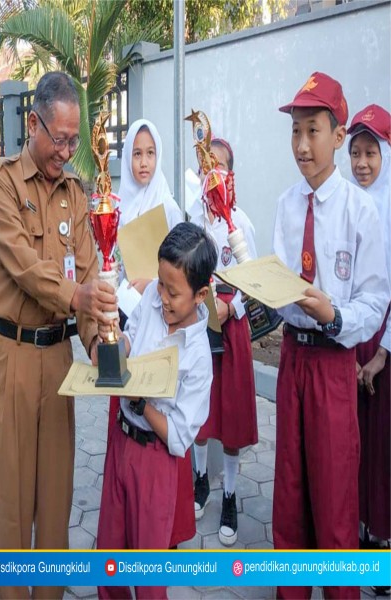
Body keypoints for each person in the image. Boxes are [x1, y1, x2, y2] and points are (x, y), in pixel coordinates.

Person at [0, 71, 116, 600]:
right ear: (33, 123)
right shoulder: (1, 184)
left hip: (58, 360)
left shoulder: (76, 194)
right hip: (11, 359)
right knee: (14, 515)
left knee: (56, 511)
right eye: (59, 139)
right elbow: (24, 266)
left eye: (74, 140)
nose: (67, 151)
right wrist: (77, 297)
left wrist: (102, 342)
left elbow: (87, 274)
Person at [272, 73, 390, 600]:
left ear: (338, 137)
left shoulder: (362, 211)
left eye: (312, 130)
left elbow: (373, 299)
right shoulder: (286, 205)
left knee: (336, 494)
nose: (301, 145)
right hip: (294, 362)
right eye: (295, 131)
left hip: (334, 365)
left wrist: (333, 315)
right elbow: (277, 283)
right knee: (290, 490)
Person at [96, 222, 216, 600]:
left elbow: (180, 438)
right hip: (121, 444)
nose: (161, 296)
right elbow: (135, 337)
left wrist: (141, 404)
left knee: (148, 579)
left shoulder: (198, 358)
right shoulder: (152, 297)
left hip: (155, 461)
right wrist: (117, 347)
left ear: (201, 295)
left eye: (173, 292)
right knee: (109, 560)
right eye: (160, 284)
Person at [108, 119, 190, 547]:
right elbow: (114, 267)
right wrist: (125, 289)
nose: (143, 162)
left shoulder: (169, 207)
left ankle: (167, 528)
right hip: (125, 318)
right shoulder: (117, 205)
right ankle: (123, 518)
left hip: (162, 324)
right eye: (136, 154)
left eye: (150, 153)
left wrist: (150, 287)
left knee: (159, 415)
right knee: (125, 415)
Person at [189, 138, 258, 546]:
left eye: (218, 167)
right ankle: (200, 480)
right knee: (200, 412)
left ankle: (229, 495)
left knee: (229, 419)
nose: (210, 174)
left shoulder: (240, 223)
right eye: (204, 166)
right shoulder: (193, 221)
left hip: (230, 329)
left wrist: (234, 308)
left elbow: (255, 280)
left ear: (229, 175)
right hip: (200, 327)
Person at [347, 104, 390, 570]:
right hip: (350, 338)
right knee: (349, 442)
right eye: (355, 152)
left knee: (379, 450)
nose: (361, 163)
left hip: (384, 343)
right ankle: (351, 530)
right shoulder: (348, 204)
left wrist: (380, 354)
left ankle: (379, 545)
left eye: (371, 154)